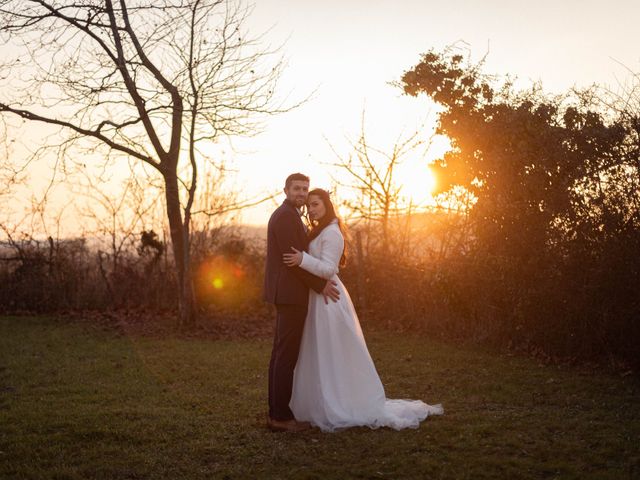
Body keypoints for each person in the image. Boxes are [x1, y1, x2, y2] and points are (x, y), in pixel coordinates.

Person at [283, 188, 443, 432]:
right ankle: (317, 402)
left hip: (329, 299)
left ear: (327, 205)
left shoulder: (333, 233)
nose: (312, 209)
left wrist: (302, 259)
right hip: (317, 297)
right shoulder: (319, 230)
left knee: (331, 350)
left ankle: (338, 402)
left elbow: (328, 269)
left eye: (316, 204)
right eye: (310, 206)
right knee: (318, 350)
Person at [264, 173, 341, 433]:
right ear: (285, 189)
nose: (301, 193)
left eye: (304, 189)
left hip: (288, 293)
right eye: (296, 188)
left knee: (281, 355)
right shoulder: (286, 216)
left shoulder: (290, 214)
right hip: (290, 294)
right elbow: (291, 260)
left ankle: (277, 412)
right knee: (285, 356)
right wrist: (320, 285)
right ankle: (280, 417)